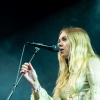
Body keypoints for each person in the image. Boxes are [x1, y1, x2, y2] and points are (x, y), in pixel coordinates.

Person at [20, 27, 100, 100]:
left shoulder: (92, 62)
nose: (59, 44)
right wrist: (35, 84)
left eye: (64, 39)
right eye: (59, 41)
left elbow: (97, 92)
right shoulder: (66, 74)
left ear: (77, 42)